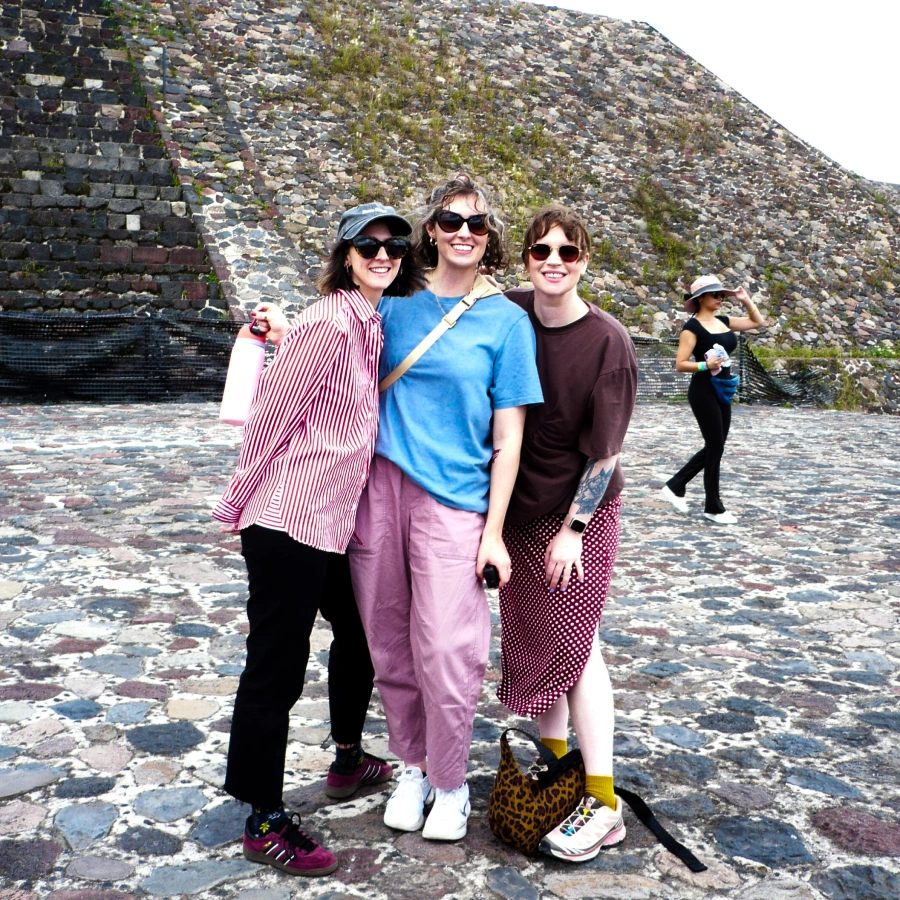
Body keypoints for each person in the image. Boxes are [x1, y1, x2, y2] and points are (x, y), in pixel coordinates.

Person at [212, 203, 426, 877]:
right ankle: (263, 819)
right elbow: (269, 417)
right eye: (368, 243)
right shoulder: (330, 323)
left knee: (360, 631)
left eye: (394, 243)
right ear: (345, 253)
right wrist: (238, 504)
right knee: (274, 665)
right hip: (288, 520)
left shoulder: (367, 319)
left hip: (331, 521)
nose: (383, 252)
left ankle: (346, 756)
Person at [347, 174, 544, 841]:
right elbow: (334, 342)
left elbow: (510, 433)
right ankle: (414, 765)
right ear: (428, 229)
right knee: (389, 639)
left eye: (478, 224)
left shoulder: (507, 322)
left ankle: (453, 782)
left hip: (455, 498)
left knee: (448, 649)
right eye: (451, 221)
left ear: (490, 237)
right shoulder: (392, 302)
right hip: (380, 489)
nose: (464, 234)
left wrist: (495, 534)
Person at [497, 205, 638, 862]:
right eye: (541, 251)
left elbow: (604, 454)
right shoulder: (512, 310)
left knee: (579, 650)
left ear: (585, 261)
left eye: (569, 252)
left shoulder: (608, 342)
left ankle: (603, 803)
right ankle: (560, 766)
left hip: (575, 519)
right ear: (526, 258)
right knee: (534, 643)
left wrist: (573, 530)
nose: (554, 262)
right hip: (519, 517)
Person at [660, 274, 765, 524]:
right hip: (703, 390)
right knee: (715, 446)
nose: (720, 298)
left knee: (715, 446)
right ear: (701, 298)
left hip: (724, 388)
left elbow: (756, 321)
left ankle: (676, 486)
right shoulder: (691, 328)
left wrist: (745, 299)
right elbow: (680, 364)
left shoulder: (724, 321)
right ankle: (713, 507)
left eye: (722, 294)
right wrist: (705, 365)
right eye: (716, 295)